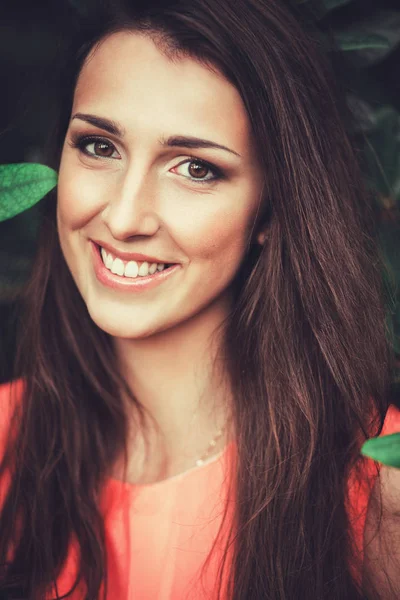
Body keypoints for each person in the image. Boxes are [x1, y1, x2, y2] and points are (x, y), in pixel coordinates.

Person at [0, 0, 396, 598]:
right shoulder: (7, 438)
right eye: (99, 147)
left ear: (270, 207)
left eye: (195, 168)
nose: (124, 217)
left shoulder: (379, 480)